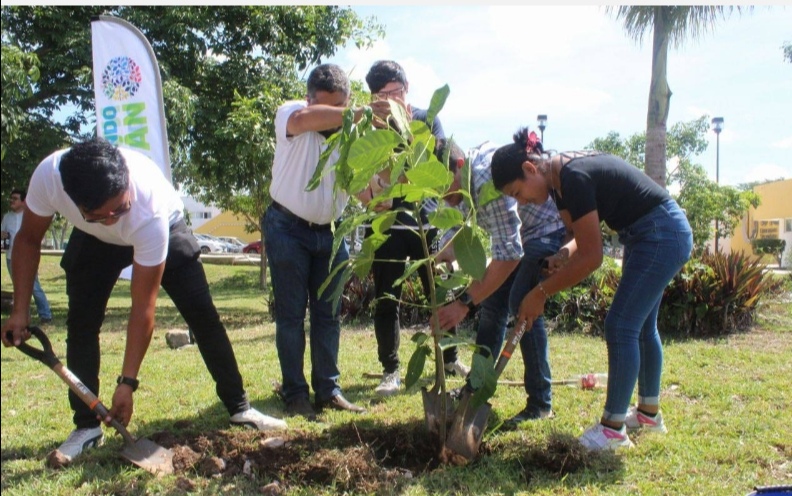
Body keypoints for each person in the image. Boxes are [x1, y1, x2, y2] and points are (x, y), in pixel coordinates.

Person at [1, 137, 286, 464]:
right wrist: (20, 310)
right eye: (100, 214)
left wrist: (127, 382)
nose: (113, 219)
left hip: (165, 227)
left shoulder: (147, 208)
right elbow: (28, 239)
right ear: (73, 202)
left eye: (118, 208)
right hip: (93, 242)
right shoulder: (49, 178)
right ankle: (86, 427)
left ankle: (240, 407)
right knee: (81, 323)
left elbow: (143, 306)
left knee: (203, 317)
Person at [491, 127, 693, 451]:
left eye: (517, 193)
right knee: (641, 327)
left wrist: (539, 293)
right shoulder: (557, 182)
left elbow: (593, 256)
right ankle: (648, 415)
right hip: (648, 234)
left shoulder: (572, 176)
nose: (520, 203)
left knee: (621, 324)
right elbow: (580, 239)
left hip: (660, 233)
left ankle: (612, 431)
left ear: (530, 169)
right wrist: (562, 255)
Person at [435, 140, 567, 423]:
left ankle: (540, 404)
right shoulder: (459, 182)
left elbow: (509, 254)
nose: (444, 196)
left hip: (545, 232)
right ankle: (475, 388)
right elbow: (456, 229)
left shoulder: (486, 183)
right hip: (520, 239)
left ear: (458, 166)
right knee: (493, 305)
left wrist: (464, 303)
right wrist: (438, 254)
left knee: (524, 304)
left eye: (445, 188)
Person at [359, 60, 468, 397]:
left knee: (439, 291)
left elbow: (439, 161)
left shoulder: (426, 120)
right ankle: (390, 370)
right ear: (374, 96)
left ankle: (449, 358)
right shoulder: (368, 129)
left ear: (406, 90)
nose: (392, 99)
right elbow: (364, 176)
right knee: (386, 297)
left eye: (397, 92)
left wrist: (407, 135)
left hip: (427, 220)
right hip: (387, 224)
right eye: (384, 94)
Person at [265, 63, 367, 418]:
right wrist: (354, 114)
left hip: (330, 232)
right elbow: (308, 120)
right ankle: (295, 395)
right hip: (287, 229)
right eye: (330, 108)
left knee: (328, 315)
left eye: (343, 106)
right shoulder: (291, 114)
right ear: (309, 99)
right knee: (291, 316)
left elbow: (359, 186)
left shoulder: (352, 135)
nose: (336, 117)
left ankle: (328, 390)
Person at [1, 188, 52, 324]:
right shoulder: (7, 217)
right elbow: (2, 235)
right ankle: (24, 315)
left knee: (34, 286)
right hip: (11, 257)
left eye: (15, 199)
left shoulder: (30, 216)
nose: (11, 201)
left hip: (27, 257)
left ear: (24, 201)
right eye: (11, 198)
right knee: (18, 287)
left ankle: (45, 314)